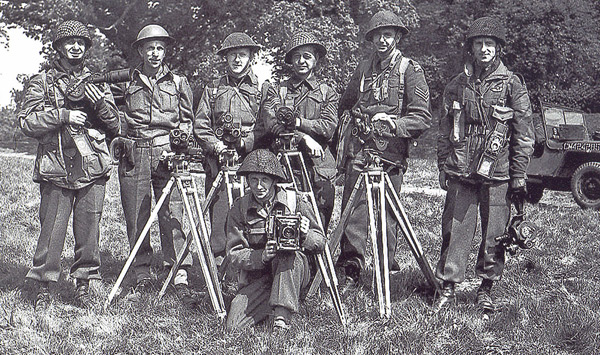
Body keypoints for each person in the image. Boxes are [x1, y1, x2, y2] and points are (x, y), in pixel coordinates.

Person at [18, 20, 120, 309]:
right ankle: (44, 286)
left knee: (90, 230)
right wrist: (63, 115)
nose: (76, 47)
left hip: (92, 166)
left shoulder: (97, 81)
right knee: (51, 230)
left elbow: (116, 125)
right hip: (56, 165)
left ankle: (84, 283)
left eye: (81, 43)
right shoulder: (42, 82)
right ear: (59, 48)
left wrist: (100, 105)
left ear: (86, 49)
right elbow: (27, 121)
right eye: (69, 42)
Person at [434, 17, 534, 312]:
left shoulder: (512, 85)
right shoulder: (457, 85)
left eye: (490, 44)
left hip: (498, 171)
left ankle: (486, 288)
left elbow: (524, 135)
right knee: (454, 230)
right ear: (471, 48)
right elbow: (443, 129)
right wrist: (443, 164)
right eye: (479, 43)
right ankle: (448, 287)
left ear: (499, 48)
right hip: (462, 169)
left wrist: (518, 175)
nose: (484, 48)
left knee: (495, 234)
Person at [337, 10, 432, 286]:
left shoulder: (410, 71)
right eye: (377, 35)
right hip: (361, 150)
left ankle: (384, 270)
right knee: (353, 211)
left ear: (398, 37)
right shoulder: (363, 69)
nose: (382, 40)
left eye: (388, 35)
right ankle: (351, 267)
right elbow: (346, 103)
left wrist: (394, 124)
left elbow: (422, 117)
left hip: (390, 154)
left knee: (386, 214)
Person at [117, 24, 195, 301]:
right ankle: (141, 272)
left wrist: (179, 141)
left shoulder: (178, 82)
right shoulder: (125, 80)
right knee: (137, 213)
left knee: (172, 214)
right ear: (140, 50)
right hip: (134, 151)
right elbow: (110, 114)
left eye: (160, 48)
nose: (155, 53)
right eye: (150, 47)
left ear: (166, 51)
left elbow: (187, 120)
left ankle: (179, 272)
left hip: (166, 152)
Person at [225, 149, 325, 330]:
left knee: (285, 253)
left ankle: (281, 319)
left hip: (292, 268)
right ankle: (275, 300)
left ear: (274, 181)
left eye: (265, 180)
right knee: (234, 326)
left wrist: (304, 234)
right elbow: (234, 253)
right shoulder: (240, 208)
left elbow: (320, 242)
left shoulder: (294, 202)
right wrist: (261, 256)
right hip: (260, 275)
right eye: (254, 179)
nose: (259, 186)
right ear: (247, 180)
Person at [194, 32, 263, 263]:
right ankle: (219, 268)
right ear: (225, 58)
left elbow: (266, 125)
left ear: (251, 57)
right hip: (219, 161)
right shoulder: (212, 89)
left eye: (242, 54)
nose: (237, 59)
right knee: (220, 216)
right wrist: (217, 146)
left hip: (251, 161)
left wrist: (246, 141)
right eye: (232, 54)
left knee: (252, 215)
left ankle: (250, 265)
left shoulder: (262, 89)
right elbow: (201, 125)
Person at [259, 31, 338, 228]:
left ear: (316, 59)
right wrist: (303, 137)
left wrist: (298, 123)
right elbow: (272, 124)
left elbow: (328, 128)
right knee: (284, 218)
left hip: (318, 166)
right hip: (285, 163)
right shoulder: (277, 90)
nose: (302, 61)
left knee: (318, 222)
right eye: (297, 56)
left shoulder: (328, 92)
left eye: (307, 56)